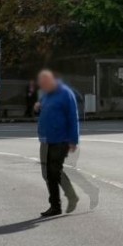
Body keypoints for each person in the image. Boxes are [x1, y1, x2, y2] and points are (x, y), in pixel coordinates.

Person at [34, 69, 80, 218]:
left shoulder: (66, 93)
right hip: (45, 139)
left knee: (54, 171)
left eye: (44, 83)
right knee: (47, 173)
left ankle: (59, 203)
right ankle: (60, 202)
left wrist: (74, 140)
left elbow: (73, 117)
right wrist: (37, 108)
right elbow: (44, 111)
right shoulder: (46, 94)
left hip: (61, 139)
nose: (42, 86)